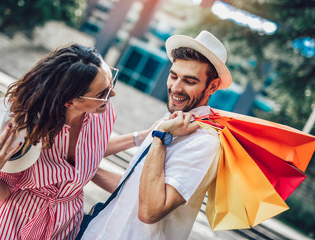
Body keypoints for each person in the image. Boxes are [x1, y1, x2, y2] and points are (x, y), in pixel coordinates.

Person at [0, 44, 151, 240]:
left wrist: (141, 137)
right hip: (17, 223)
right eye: (101, 93)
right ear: (70, 102)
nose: (112, 94)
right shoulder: (26, 130)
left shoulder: (103, 114)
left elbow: (92, 149)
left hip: (67, 225)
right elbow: (1, 194)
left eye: (112, 83)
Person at [81, 30, 232, 240]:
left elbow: (150, 210)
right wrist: (80, 170)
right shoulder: (168, 121)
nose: (175, 88)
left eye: (189, 81)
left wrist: (160, 136)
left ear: (212, 86)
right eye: (173, 76)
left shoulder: (204, 141)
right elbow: (132, 189)